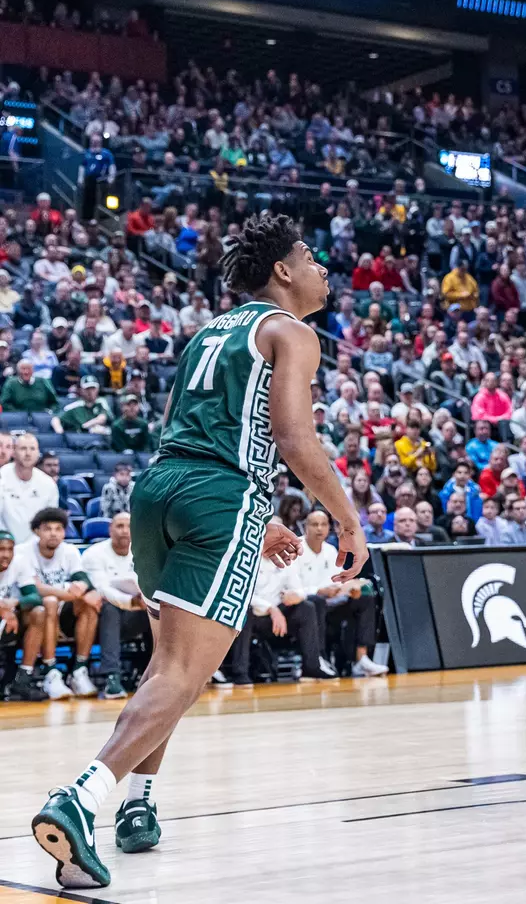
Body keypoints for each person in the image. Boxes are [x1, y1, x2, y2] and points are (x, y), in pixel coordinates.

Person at [32, 214, 367, 891]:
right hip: (219, 495)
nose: (322, 267)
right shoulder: (290, 331)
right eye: (310, 256)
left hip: (159, 491)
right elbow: (294, 438)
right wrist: (347, 518)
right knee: (183, 674)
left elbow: (197, 430)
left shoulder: (211, 331)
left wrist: (256, 516)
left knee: (166, 667)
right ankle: (80, 799)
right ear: (282, 272)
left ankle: (138, 806)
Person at [12, 507, 100, 699]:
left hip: (62, 614)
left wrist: (83, 588)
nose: (53, 533)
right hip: (31, 614)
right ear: (36, 531)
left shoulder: (70, 551)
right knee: (50, 602)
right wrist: (70, 594)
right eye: (48, 529)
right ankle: (50, 671)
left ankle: (79, 670)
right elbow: (34, 589)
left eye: (58, 529)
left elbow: (83, 579)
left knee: (89, 605)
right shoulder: (22, 552)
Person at [297, 509, 387, 677]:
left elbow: (338, 580)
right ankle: (318, 658)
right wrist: (319, 591)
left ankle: (361, 658)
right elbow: (290, 587)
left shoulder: (331, 550)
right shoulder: (297, 549)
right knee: (316, 601)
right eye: (315, 524)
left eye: (324, 524)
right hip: (306, 605)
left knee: (365, 598)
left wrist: (350, 588)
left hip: (332, 603)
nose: (319, 529)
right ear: (305, 527)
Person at [81, 513, 149, 700]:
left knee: (158, 610)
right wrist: (131, 601)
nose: (125, 531)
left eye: (129, 526)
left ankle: (156, 674)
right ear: (110, 530)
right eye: (119, 526)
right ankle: (112, 677)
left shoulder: (145, 551)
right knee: (109, 608)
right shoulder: (94, 553)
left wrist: (145, 601)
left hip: (137, 614)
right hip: (99, 619)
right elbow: (102, 589)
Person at [1, 529, 49, 701]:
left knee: (39, 612)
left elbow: (35, 597)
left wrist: (14, 603)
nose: (6, 555)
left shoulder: (19, 562)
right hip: (5, 618)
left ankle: (23, 678)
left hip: (11, 621)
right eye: (1, 549)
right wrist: (3, 610)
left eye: (9, 549)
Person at [0, 433, 61, 545]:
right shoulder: (2, 477)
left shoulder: (48, 484)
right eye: (23, 448)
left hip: (37, 546)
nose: (28, 453)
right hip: (4, 545)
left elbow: (50, 521)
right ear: (13, 452)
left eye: (32, 449)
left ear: (38, 453)